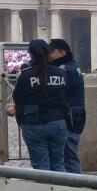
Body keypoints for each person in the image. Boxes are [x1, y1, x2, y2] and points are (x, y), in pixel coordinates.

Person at [8, 39, 69, 171]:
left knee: (41, 166)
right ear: (48, 53)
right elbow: (66, 97)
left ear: (30, 54)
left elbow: (18, 99)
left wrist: (20, 119)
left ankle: (44, 185)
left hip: (34, 123)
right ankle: (60, 185)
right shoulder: (61, 74)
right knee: (58, 164)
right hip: (58, 122)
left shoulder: (26, 75)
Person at [49, 39, 85, 173]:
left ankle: (75, 183)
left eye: (52, 52)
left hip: (69, 116)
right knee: (69, 156)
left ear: (61, 52)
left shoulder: (64, 69)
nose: (49, 55)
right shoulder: (72, 65)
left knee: (69, 158)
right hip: (75, 114)